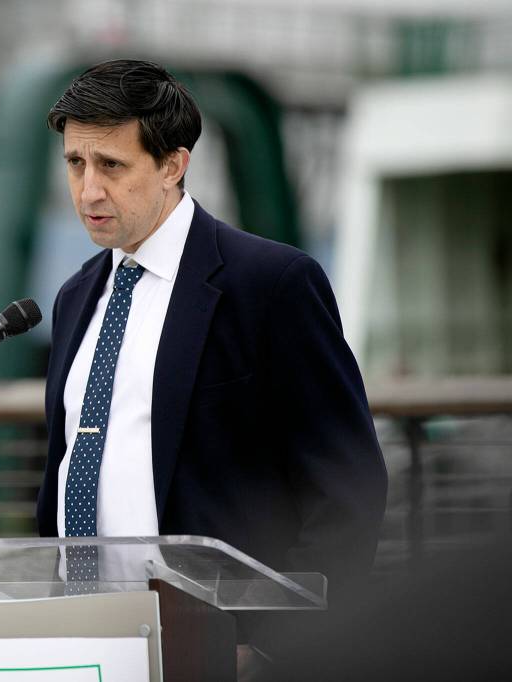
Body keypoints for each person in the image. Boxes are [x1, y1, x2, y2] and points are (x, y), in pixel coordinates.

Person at [35, 59, 387, 676]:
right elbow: (66, 468)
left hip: (222, 651)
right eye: (75, 164)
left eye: (112, 166)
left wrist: (273, 645)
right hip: (88, 643)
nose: (88, 190)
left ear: (173, 164)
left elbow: (349, 487)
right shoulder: (75, 297)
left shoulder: (271, 284)